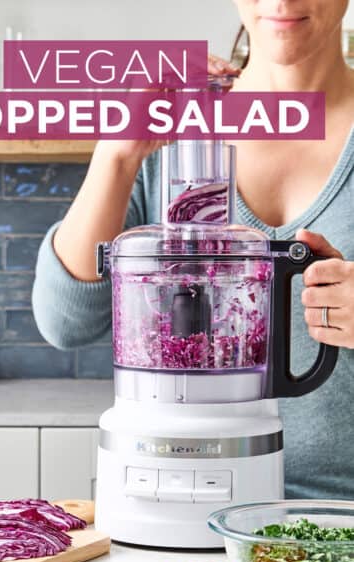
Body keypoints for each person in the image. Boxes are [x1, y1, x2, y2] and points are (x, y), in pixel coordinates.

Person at [32, 0, 354, 500]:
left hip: (339, 513)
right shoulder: (170, 131)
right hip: (182, 497)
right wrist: (117, 153)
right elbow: (66, 324)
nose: (283, 3)